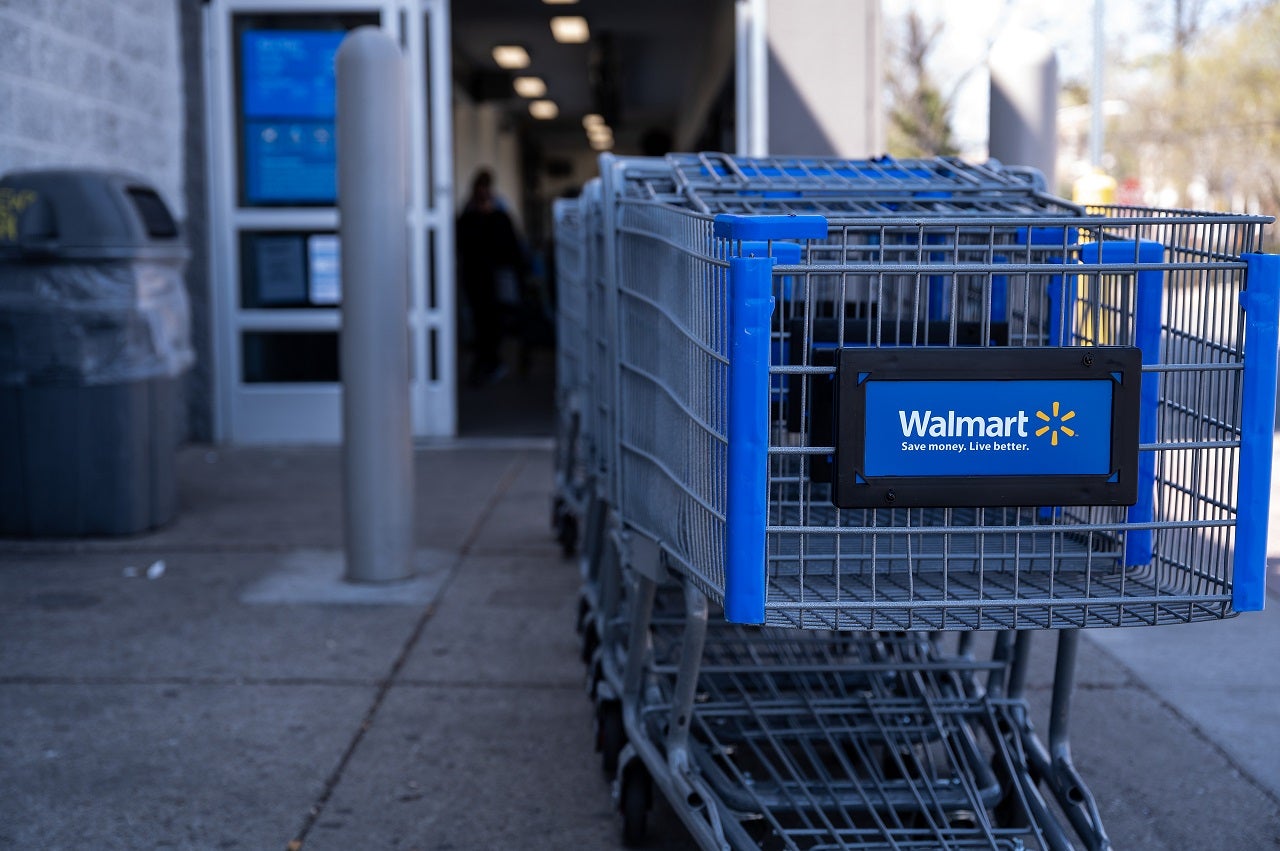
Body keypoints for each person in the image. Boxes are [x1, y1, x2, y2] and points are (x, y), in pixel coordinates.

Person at [456, 169, 526, 385]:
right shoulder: (477, 216)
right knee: (484, 322)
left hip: (486, 278)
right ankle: (487, 362)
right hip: (482, 278)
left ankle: (489, 363)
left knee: (489, 322)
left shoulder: (492, 215)